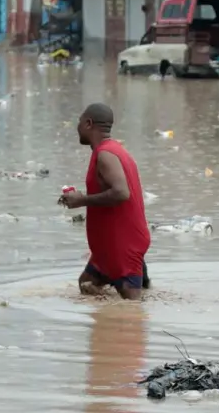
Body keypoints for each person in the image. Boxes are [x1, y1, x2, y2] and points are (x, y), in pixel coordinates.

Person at [59, 103, 152, 300]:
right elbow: (112, 190)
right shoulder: (113, 150)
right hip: (107, 247)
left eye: (79, 122)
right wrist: (80, 197)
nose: (77, 127)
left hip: (122, 244)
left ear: (88, 123)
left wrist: (82, 200)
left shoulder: (105, 155)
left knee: (132, 310)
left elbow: (121, 193)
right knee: (86, 284)